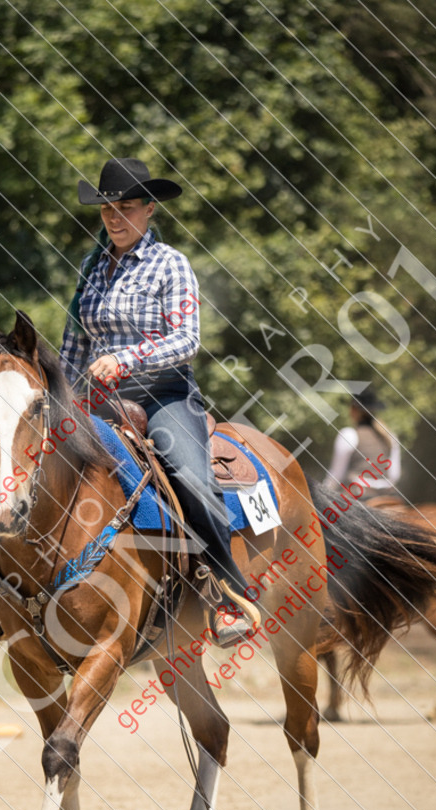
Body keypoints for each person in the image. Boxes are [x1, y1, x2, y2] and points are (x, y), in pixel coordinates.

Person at [61, 156, 261, 645]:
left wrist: (125, 361)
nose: (115, 217)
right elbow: (72, 345)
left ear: (150, 209)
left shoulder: (171, 265)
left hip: (163, 395)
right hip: (96, 400)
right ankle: (11, 590)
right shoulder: (90, 268)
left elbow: (186, 339)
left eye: (126, 207)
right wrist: (59, 397)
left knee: (192, 476)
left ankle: (226, 595)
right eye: (107, 208)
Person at [324, 387, 401, 497]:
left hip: (359, 495)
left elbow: (336, 476)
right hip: (387, 495)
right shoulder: (390, 437)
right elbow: (394, 475)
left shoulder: (349, 435)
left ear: (354, 409)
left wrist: (323, 495)